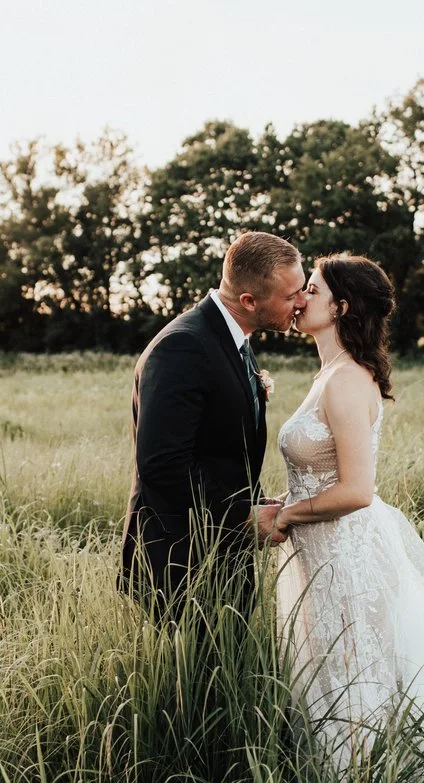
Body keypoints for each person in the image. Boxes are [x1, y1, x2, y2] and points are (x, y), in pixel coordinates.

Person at [272, 254, 424, 774]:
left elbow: (356, 490)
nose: (299, 297)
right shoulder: (328, 373)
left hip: (347, 559)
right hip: (321, 555)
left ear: (341, 307)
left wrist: (288, 515)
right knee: (331, 683)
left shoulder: (348, 380)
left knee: (357, 688)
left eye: (311, 289)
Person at [121, 231, 306, 617]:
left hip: (222, 551)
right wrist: (242, 515)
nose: (301, 302)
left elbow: (219, 449)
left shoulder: (234, 339)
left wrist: (254, 503)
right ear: (249, 301)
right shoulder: (183, 347)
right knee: (194, 676)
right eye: (291, 296)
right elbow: (162, 465)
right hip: (181, 562)